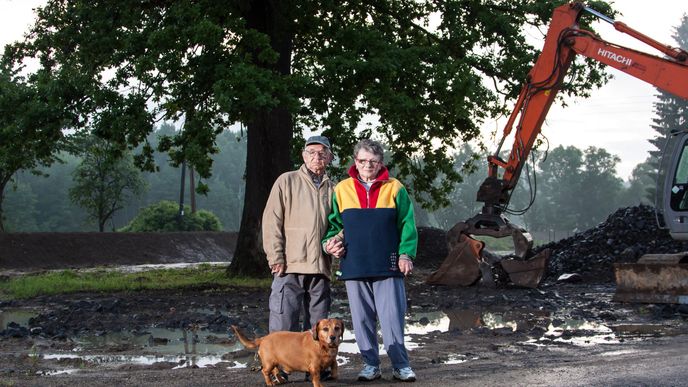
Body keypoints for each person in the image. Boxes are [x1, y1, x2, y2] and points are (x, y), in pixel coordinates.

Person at [323, 138, 418, 382]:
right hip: (354, 264)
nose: (367, 165)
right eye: (363, 160)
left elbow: (407, 224)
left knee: (392, 319)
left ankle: (400, 365)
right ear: (355, 161)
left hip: (388, 263)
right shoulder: (342, 189)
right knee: (362, 319)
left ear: (380, 163)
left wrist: (406, 254)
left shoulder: (395, 188)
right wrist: (332, 243)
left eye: (373, 161)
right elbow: (335, 225)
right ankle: (370, 365)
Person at [261, 135, 345, 383]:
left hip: (321, 266)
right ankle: (279, 370)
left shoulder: (336, 189)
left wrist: (337, 240)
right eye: (311, 152)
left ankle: (317, 369)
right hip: (289, 264)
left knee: (318, 327)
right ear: (303, 155)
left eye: (322, 153)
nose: (316, 157)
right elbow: (271, 220)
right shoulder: (286, 181)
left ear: (329, 157)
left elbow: (343, 223)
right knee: (284, 319)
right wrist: (275, 255)